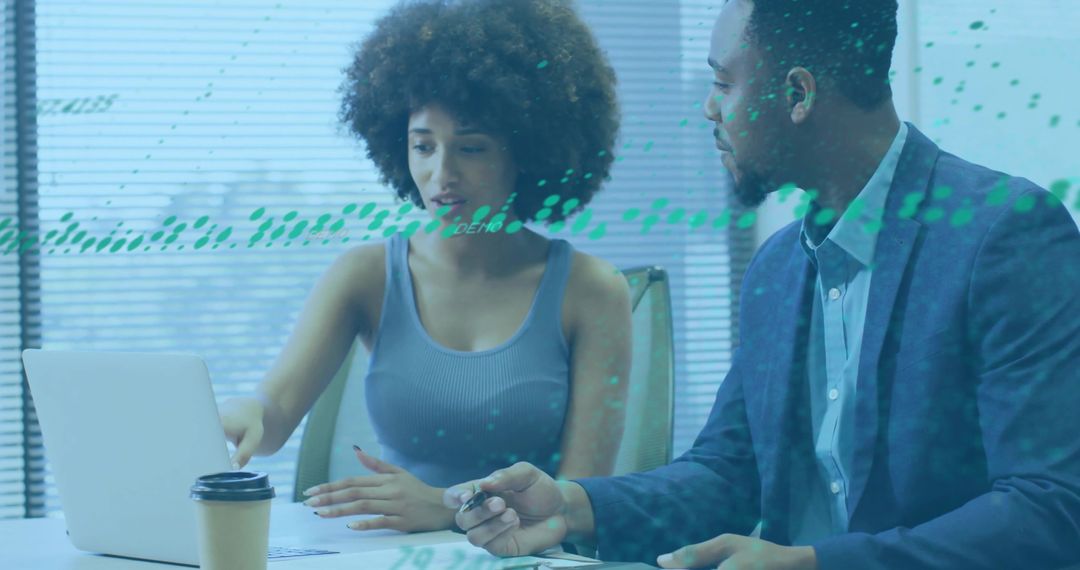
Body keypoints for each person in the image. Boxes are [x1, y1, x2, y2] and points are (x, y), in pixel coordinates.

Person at [446, 0, 1080, 568]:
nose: (709, 106)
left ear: (798, 94)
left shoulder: (1004, 235)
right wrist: (570, 506)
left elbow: (1049, 507)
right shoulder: (777, 268)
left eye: (724, 81)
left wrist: (814, 564)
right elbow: (729, 473)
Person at [220, 0, 632, 534]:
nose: (442, 174)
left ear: (526, 151)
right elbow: (271, 415)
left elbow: (578, 505)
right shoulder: (363, 276)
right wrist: (244, 413)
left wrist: (445, 506)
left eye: (472, 148)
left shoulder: (592, 290)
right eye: (423, 146)